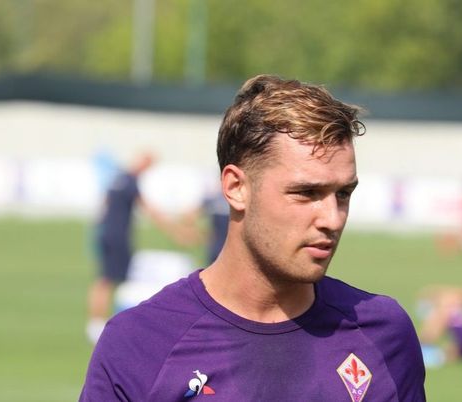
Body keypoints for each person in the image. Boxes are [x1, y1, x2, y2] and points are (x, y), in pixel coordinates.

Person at [80, 75, 426, 401]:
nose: (332, 219)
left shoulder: (384, 334)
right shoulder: (138, 344)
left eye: (343, 194)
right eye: (306, 193)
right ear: (236, 188)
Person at [86, 151, 190, 344]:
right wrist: (175, 231)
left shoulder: (117, 178)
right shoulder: (131, 182)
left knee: (105, 278)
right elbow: (150, 210)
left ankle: (97, 323)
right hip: (119, 236)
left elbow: (104, 205)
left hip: (106, 233)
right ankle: (102, 325)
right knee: (111, 280)